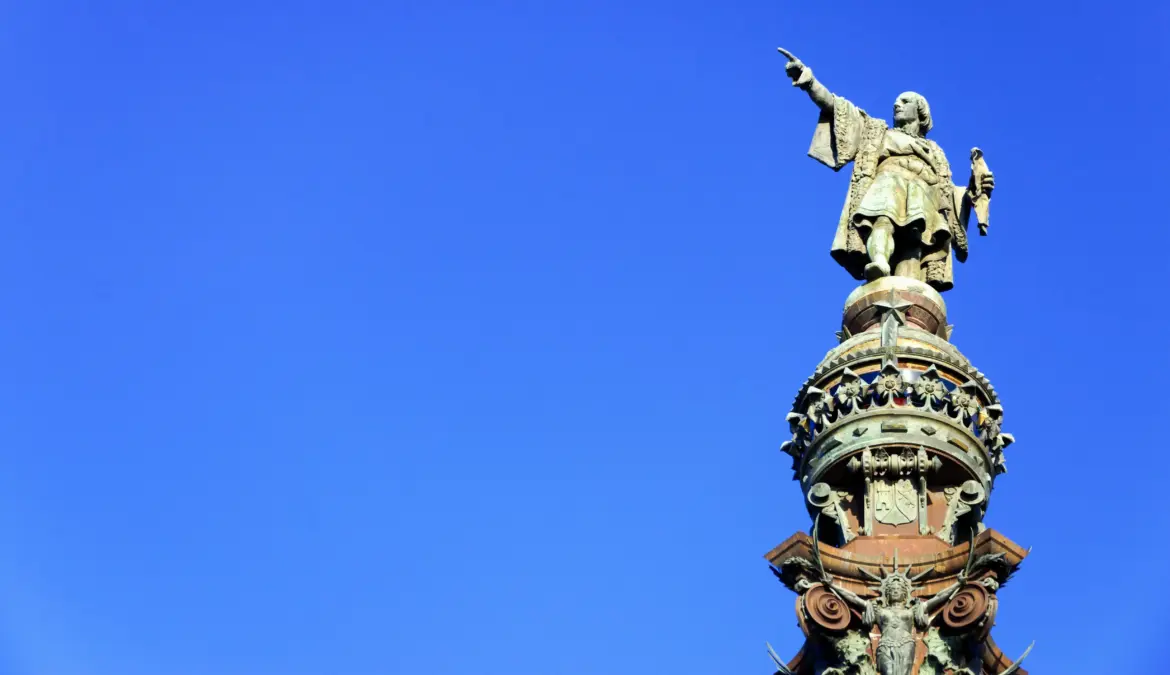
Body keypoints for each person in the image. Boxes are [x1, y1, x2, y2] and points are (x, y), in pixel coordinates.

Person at [777, 49, 995, 291]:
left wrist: (974, 191)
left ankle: (909, 289)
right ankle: (879, 261)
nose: (896, 105)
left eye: (905, 102)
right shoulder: (877, 131)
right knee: (882, 220)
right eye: (896, 102)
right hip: (889, 182)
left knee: (915, 241)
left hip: (925, 193)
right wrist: (810, 82)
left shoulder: (936, 152)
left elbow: (948, 196)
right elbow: (838, 109)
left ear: (920, 112)